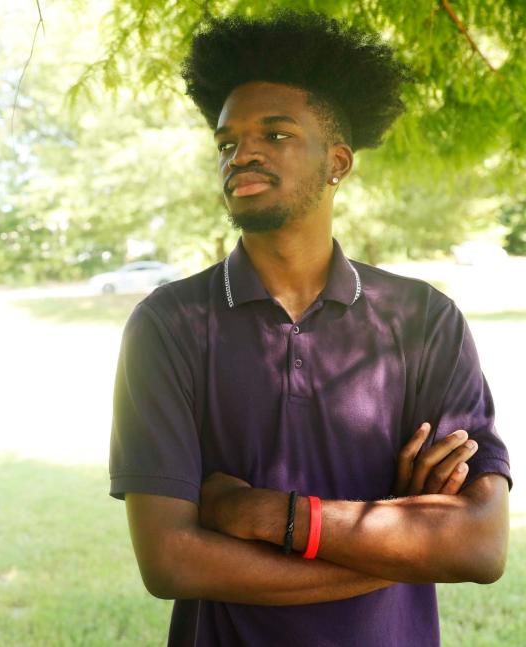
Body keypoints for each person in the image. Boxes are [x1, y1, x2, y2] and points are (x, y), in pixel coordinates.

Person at [108, 11, 512, 647]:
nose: (242, 154)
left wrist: (263, 515)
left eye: (276, 132)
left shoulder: (424, 321)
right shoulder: (169, 324)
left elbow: (481, 545)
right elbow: (170, 562)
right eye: (226, 142)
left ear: (338, 162)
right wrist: (401, 542)